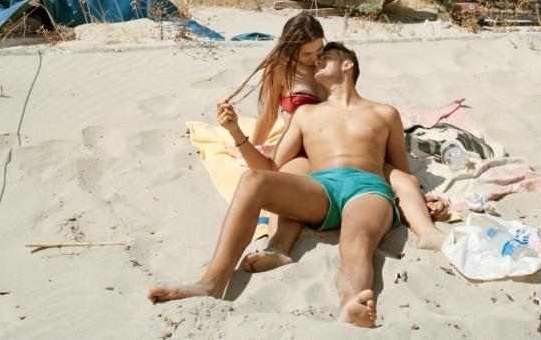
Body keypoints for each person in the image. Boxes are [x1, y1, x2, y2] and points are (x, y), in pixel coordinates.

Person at [149, 43, 406, 327]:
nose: (317, 61)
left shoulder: (384, 113)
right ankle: (211, 283)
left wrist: (420, 201)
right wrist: (235, 131)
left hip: (367, 188)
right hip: (321, 188)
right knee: (252, 179)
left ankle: (351, 304)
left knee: (356, 239)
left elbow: (399, 169)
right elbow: (272, 168)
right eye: (316, 59)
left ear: (348, 66)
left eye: (326, 58)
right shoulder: (305, 115)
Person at [221, 13, 445, 273]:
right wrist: (251, 144)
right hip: (301, 148)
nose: (315, 58)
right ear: (292, 50)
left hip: (346, 147)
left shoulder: (327, 67)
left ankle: (427, 230)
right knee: (290, 178)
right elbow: (269, 115)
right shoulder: (282, 69)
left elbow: (348, 104)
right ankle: (278, 249)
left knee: (404, 180)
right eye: (307, 54)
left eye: (320, 50)